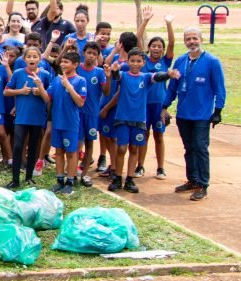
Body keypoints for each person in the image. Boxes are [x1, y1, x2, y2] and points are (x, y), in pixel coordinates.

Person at [163, 27, 226, 201]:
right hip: (183, 114)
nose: (191, 42)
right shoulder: (181, 61)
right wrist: (164, 106)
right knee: (189, 148)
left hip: (202, 115)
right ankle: (192, 179)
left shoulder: (212, 62)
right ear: (184, 41)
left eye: (194, 38)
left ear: (201, 39)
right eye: (188, 39)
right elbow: (172, 88)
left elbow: (219, 88)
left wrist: (218, 111)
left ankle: (202, 184)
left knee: (200, 148)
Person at [106, 47, 179, 193]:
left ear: (143, 62)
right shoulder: (124, 76)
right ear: (128, 61)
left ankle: (130, 179)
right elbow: (116, 76)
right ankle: (117, 177)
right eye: (132, 61)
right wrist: (113, 70)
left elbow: (157, 77)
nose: (135, 64)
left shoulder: (145, 77)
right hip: (122, 118)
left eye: (138, 61)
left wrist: (168, 74)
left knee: (134, 148)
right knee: (121, 148)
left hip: (139, 119)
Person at [3, 46, 52, 189]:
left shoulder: (45, 75)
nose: (32, 59)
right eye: (29, 57)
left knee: (33, 147)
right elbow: (6, 92)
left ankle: (29, 177)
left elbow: (48, 98)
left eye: (35, 57)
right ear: (24, 59)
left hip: (37, 117)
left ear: (40, 59)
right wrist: (21, 91)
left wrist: (40, 90)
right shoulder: (18, 73)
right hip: (21, 117)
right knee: (18, 146)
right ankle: (15, 179)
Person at [136, 9, 175, 180]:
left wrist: (169, 24)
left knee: (159, 136)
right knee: (143, 136)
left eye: (160, 46)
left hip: (159, 105)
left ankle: (160, 168)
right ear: (149, 48)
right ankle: (140, 166)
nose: (156, 48)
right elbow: (136, 41)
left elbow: (172, 44)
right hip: (144, 104)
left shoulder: (166, 62)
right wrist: (144, 21)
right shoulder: (143, 60)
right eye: (154, 45)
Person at [47, 52, 88, 195]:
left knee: (71, 152)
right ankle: (59, 181)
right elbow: (48, 97)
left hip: (70, 123)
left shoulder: (80, 80)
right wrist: (39, 85)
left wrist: (69, 86)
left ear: (75, 64)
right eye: (62, 61)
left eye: (66, 62)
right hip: (57, 121)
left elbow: (80, 102)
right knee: (58, 152)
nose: (63, 64)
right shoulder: (56, 80)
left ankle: (70, 181)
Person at [75, 41, 109, 181]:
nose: (91, 56)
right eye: (89, 53)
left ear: (98, 56)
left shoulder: (100, 72)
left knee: (89, 142)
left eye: (94, 54)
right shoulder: (77, 68)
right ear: (83, 53)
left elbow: (106, 92)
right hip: (77, 112)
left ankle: (84, 172)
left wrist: (109, 77)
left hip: (92, 113)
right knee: (76, 141)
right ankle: (72, 169)